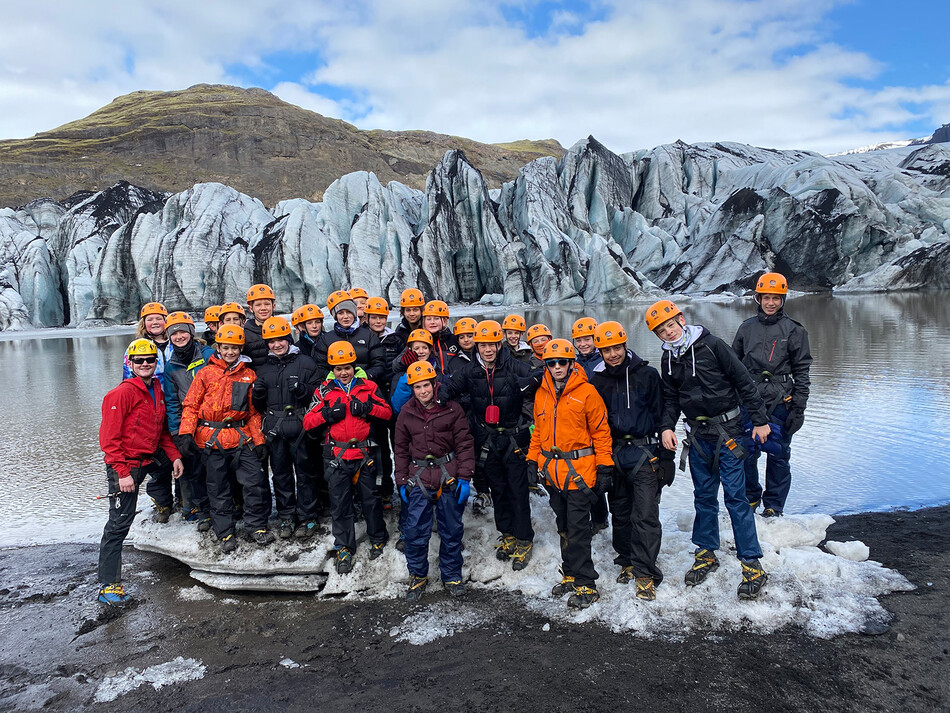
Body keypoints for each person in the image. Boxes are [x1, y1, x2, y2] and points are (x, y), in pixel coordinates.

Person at [648, 299, 770, 600]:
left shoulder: (713, 346)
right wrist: (666, 427)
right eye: (661, 331)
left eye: (670, 325)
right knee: (703, 497)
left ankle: (752, 565)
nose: (668, 332)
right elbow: (671, 397)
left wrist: (760, 420)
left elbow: (744, 382)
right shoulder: (668, 358)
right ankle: (706, 553)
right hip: (698, 436)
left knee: (736, 498)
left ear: (681, 319)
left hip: (728, 433)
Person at [442, 320, 540, 571]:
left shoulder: (514, 365)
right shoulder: (470, 370)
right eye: (483, 345)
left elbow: (542, 375)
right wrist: (433, 398)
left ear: (499, 344)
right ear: (477, 346)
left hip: (513, 439)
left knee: (518, 490)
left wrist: (531, 382)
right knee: (498, 490)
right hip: (488, 439)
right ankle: (507, 534)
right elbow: (450, 388)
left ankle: (524, 539)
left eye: (492, 345)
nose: (487, 350)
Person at [527, 339, 613, 609]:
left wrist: (605, 466)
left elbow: (601, 432)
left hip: (579, 473)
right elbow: (538, 432)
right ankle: (570, 573)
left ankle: (586, 583)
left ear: (571, 363)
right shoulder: (542, 393)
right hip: (552, 474)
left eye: (562, 362)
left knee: (578, 530)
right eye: (551, 363)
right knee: (563, 526)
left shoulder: (587, 392)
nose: (557, 367)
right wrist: (531, 460)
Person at [97, 339, 184, 605]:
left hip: (150, 456)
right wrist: (121, 472)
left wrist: (175, 456)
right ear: (130, 364)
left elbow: (162, 431)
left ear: (156, 362)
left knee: (186, 466)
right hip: (127, 464)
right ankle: (109, 585)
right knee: (119, 523)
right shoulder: (120, 394)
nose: (145, 364)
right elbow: (109, 439)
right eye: (139, 360)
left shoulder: (156, 388)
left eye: (150, 360)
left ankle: (165, 503)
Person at [589, 321, 668, 601]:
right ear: (600, 352)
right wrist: (600, 463)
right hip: (614, 452)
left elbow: (663, 416)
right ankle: (627, 560)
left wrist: (666, 459)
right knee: (620, 513)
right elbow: (594, 424)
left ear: (625, 345)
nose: (613, 355)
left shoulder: (647, 375)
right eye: (606, 350)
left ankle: (645, 573)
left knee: (645, 514)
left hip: (645, 451)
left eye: (617, 348)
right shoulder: (597, 381)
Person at [178, 325, 273, 552]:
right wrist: (186, 433)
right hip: (211, 439)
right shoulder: (205, 373)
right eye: (226, 348)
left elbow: (253, 413)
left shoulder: (249, 375)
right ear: (218, 348)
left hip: (241, 437)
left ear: (241, 349)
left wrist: (259, 441)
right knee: (218, 488)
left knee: (255, 482)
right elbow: (191, 405)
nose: (230, 352)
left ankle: (256, 526)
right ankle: (225, 532)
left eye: (235, 348)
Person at [302, 341, 393, 573]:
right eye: (338, 368)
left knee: (371, 500)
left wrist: (367, 408)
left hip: (363, 454)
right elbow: (308, 422)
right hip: (337, 456)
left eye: (347, 368)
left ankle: (377, 536)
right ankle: (343, 546)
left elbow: (386, 412)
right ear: (332, 369)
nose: (343, 373)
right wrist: (327, 414)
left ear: (354, 367)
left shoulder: (368, 387)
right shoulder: (324, 390)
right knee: (340, 504)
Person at [732, 272, 812, 517]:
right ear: (758, 299)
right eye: (766, 298)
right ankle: (751, 497)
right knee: (746, 452)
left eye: (776, 298)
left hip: (781, 400)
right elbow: (733, 366)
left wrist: (799, 408)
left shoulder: (795, 331)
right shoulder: (746, 328)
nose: (770, 303)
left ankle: (774, 506)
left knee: (778, 454)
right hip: (749, 398)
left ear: (783, 299)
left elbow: (802, 371)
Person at [394, 361, 475, 602]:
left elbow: (464, 444)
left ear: (434, 384)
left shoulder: (452, 409)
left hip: (447, 476)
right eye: (417, 387)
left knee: (451, 529)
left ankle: (451, 575)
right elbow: (400, 449)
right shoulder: (406, 412)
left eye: (426, 385)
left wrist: (464, 478)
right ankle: (418, 575)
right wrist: (401, 480)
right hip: (418, 477)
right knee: (414, 531)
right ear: (412, 389)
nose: (423, 391)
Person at [252, 316, 322, 539]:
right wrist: (257, 394)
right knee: (281, 475)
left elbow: (320, 394)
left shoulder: (306, 363)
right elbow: (259, 406)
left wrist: (303, 390)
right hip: (276, 429)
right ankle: (287, 516)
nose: (276, 345)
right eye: (271, 342)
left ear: (288, 339)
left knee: (306, 473)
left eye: (280, 340)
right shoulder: (263, 369)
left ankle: (308, 516)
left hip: (301, 428)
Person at [163, 311, 216, 531]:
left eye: (183, 332)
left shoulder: (208, 355)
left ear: (191, 332)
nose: (179, 336)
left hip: (214, 422)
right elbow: (172, 402)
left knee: (217, 470)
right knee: (194, 471)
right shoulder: (171, 366)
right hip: (190, 426)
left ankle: (223, 509)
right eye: (173, 333)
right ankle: (202, 512)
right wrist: (177, 433)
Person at [363, 296, 400, 510]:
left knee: (398, 444)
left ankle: (397, 487)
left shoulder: (394, 339)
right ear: (367, 317)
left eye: (382, 317)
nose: (378, 321)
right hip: (373, 398)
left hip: (392, 396)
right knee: (378, 447)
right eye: (374, 317)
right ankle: (382, 489)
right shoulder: (362, 338)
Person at [312, 290, 386, 380]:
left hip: (364, 385)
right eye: (340, 313)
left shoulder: (369, 336)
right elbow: (319, 365)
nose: (345, 316)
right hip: (336, 386)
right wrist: (328, 376)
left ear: (354, 313)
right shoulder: (326, 339)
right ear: (335, 316)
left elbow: (379, 363)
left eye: (349, 312)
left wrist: (367, 375)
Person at [122, 302, 171, 382]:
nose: (155, 322)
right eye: (150, 319)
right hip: (149, 389)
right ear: (143, 323)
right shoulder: (136, 347)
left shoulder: (176, 345)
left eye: (159, 319)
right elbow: (128, 378)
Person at [243, 284, 276, 368]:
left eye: (267, 304)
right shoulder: (244, 334)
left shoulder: (283, 329)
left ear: (273, 306)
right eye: (258, 305)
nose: (263, 308)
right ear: (251, 308)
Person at [392, 288, 426, 352]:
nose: (411, 314)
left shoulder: (428, 328)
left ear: (421, 311)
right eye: (408, 310)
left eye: (415, 310)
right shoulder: (400, 330)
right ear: (403, 312)